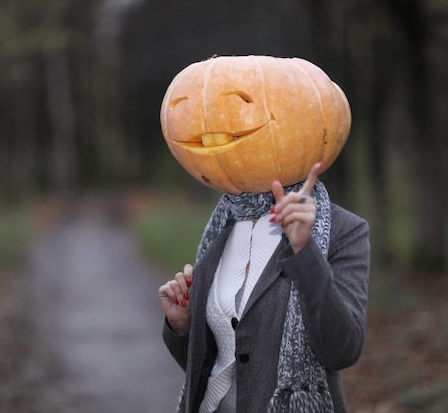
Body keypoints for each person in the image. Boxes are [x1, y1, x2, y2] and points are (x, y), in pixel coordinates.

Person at [158, 163, 370, 413]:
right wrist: (182, 326)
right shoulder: (223, 223)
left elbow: (342, 350)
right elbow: (213, 363)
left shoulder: (343, 230)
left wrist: (305, 251)